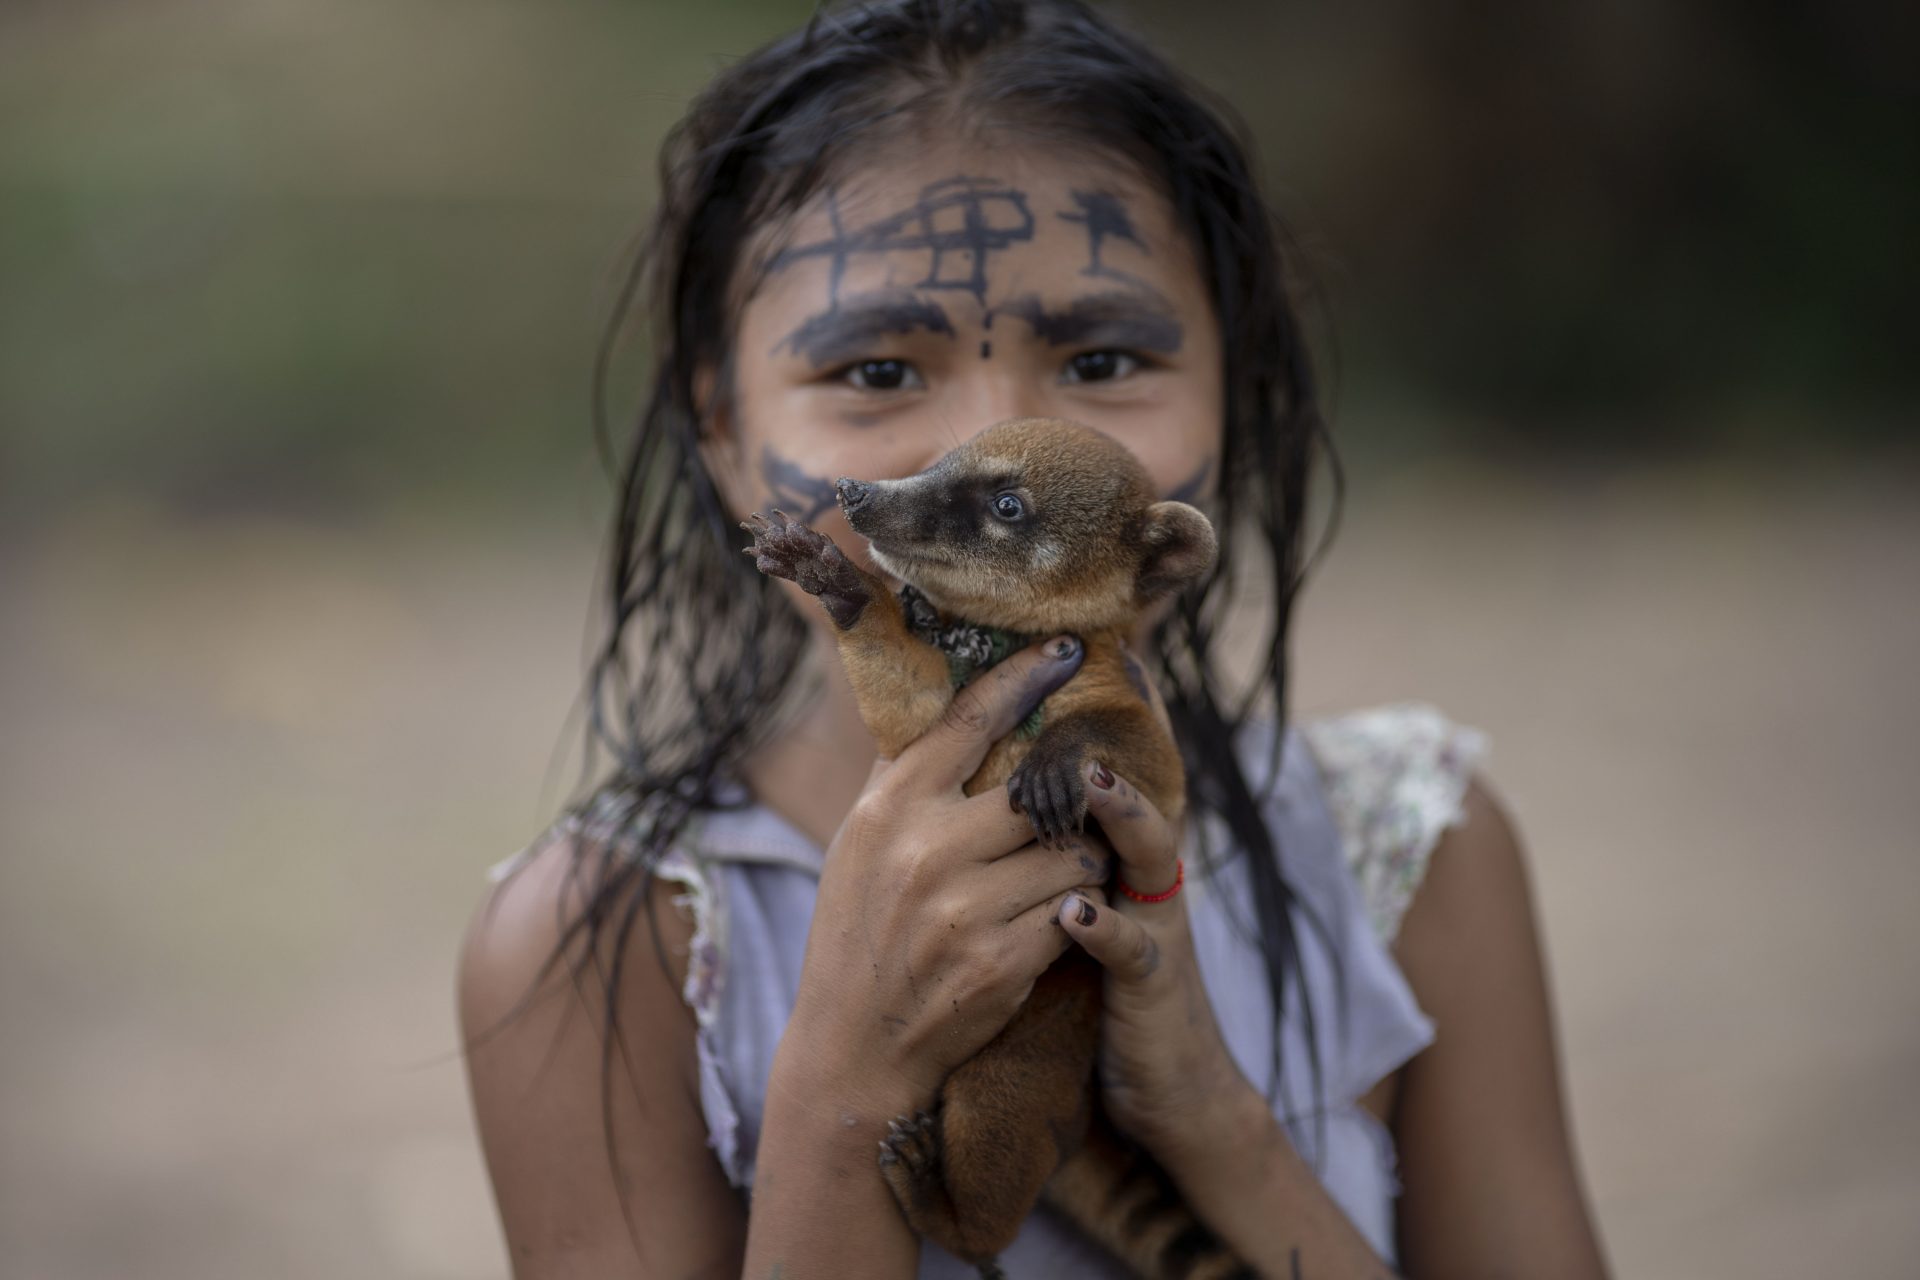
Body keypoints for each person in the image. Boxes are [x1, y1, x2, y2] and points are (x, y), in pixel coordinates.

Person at [459, 2, 1610, 1276]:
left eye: (1104, 356)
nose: (996, 447)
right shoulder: (612, 946)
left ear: (1246, 388)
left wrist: (1217, 1122)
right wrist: (840, 1093)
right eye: (881, 372)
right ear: (721, 427)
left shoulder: (1412, 860)